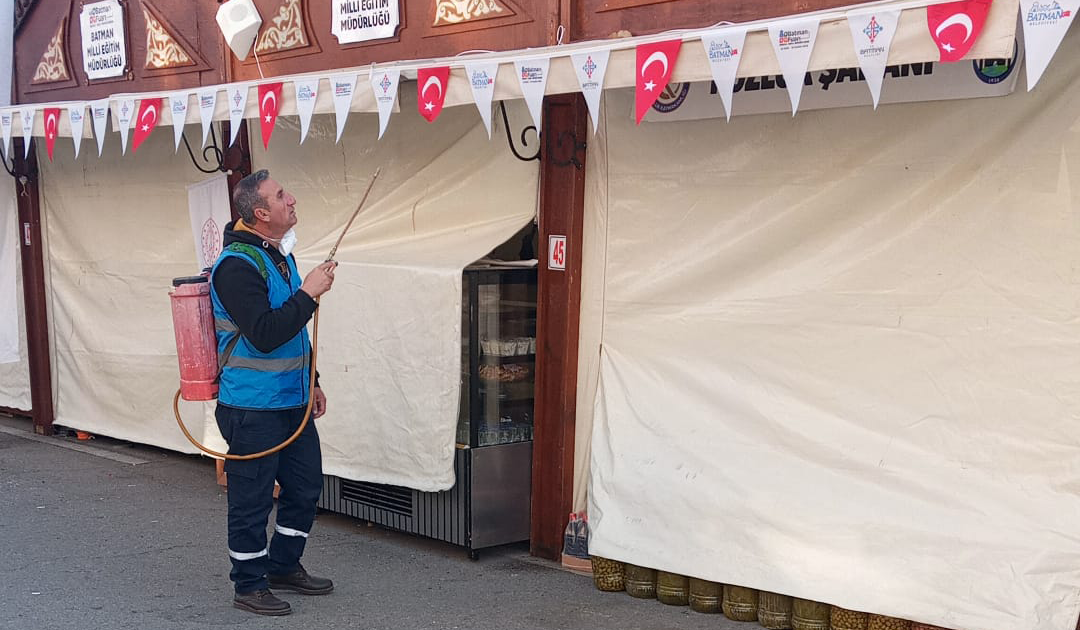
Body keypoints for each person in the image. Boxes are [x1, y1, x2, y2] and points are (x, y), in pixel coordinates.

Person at [210, 169, 338, 616]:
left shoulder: (278, 255)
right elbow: (264, 333)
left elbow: (295, 335)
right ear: (261, 214)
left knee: (305, 488)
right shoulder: (235, 266)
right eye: (282, 196)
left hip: (292, 399)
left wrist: (313, 381)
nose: (293, 199)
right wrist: (308, 294)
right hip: (251, 406)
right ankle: (248, 584)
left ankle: (283, 566)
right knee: (252, 500)